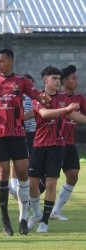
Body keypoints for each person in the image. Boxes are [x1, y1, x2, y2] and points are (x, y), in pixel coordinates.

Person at [0, 48, 50, 236]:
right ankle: (5, 220)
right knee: (3, 174)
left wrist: (44, 99)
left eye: (1, 61)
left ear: (10, 62)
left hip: (17, 133)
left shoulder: (21, 81)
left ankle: (23, 218)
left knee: (23, 174)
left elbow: (37, 96)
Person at [27, 66, 86, 233]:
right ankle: (37, 213)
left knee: (51, 182)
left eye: (59, 79)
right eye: (54, 78)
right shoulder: (38, 97)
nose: (57, 81)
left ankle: (45, 221)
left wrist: (71, 113)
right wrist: (65, 110)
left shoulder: (64, 99)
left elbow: (74, 116)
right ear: (45, 79)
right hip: (39, 145)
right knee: (32, 183)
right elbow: (44, 114)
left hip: (58, 145)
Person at [50, 65, 86, 220]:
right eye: (73, 78)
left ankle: (55, 211)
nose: (76, 80)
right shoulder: (56, 97)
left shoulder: (79, 98)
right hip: (53, 142)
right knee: (48, 178)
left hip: (69, 142)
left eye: (76, 78)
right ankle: (32, 207)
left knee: (73, 175)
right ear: (64, 81)